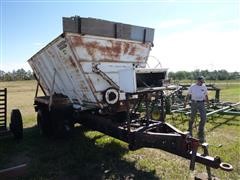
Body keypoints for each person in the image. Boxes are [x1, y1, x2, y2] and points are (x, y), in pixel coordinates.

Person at [184, 76, 209, 143]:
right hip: (194, 103)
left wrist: (208, 103)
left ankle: (200, 131)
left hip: (201, 103)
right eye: (201, 82)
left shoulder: (204, 86)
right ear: (197, 81)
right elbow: (188, 95)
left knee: (204, 117)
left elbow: (206, 95)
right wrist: (185, 103)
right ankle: (190, 128)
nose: (202, 83)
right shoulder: (193, 86)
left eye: (203, 82)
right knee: (192, 117)